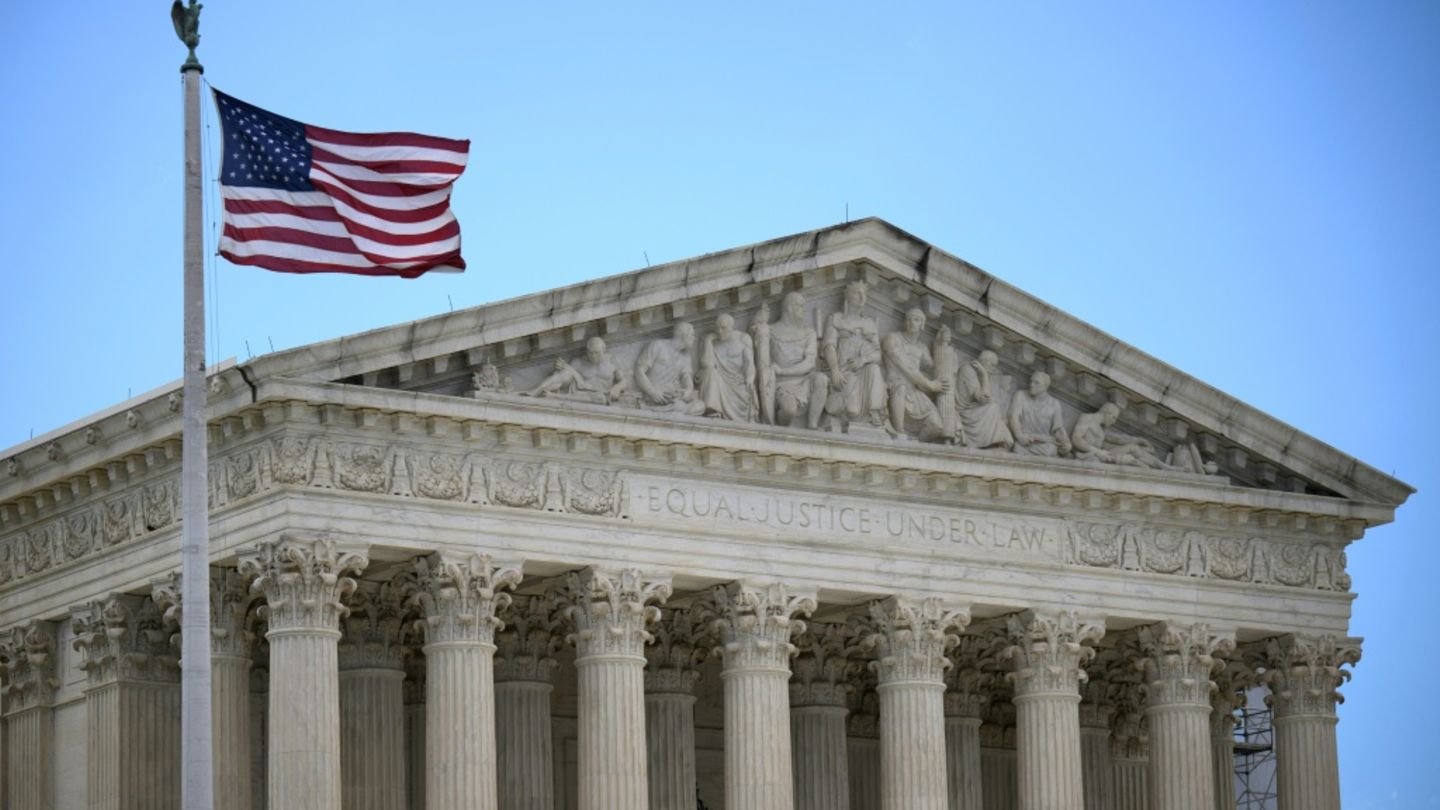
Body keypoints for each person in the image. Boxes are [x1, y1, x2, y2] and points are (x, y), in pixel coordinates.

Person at [823, 281, 887, 427]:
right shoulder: (836, 319)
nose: (861, 297)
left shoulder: (870, 324)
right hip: (844, 372)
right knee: (852, 411)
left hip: (863, 370)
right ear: (847, 296)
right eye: (857, 293)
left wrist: (863, 360)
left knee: (874, 369)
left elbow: (878, 355)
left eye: (864, 294)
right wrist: (834, 371)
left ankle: (874, 411)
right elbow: (829, 346)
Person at [880, 308, 948, 440]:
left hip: (915, 391)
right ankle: (899, 432)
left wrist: (940, 343)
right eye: (909, 319)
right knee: (901, 385)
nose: (912, 322)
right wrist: (929, 385)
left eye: (916, 319)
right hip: (894, 385)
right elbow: (906, 367)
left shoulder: (921, 347)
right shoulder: (893, 338)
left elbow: (934, 369)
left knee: (937, 426)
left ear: (922, 324)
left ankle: (913, 442)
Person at [765, 292, 829, 429]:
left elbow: (810, 363)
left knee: (821, 379)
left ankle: (812, 425)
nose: (803, 310)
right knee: (788, 410)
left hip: (804, 380)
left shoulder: (808, 333)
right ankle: (781, 430)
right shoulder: (770, 330)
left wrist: (783, 370)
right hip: (782, 384)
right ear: (789, 308)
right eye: (800, 306)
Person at [520, 337, 627, 404]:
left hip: (598, 395)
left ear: (603, 350)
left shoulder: (612, 361)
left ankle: (556, 397)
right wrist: (561, 367)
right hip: (580, 390)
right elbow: (563, 374)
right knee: (566, 373)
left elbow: (624, 381)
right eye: (590, 353)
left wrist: (617, 387)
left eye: (597, 353)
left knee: (601, 398)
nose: (593, 356)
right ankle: (536, 390)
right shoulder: (579, 362)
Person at [634, 323, 706, 415]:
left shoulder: (686, 357)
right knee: (681, 407)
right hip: (654, 396)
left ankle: (670, 411)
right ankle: (655, 409)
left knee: (701, 405)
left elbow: (686, 377)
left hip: (672, 397)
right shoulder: (657, 346)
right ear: (683, 335)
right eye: (692, 335)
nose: (694, 338)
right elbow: (639, 371)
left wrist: (688, 390)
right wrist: (653, 393)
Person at [1071, 402, 1168, 469]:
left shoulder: (1102, 430)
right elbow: (1076, 439)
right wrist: (1098, 452)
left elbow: (1119, 439)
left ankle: (1163, 466)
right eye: (1113, 418)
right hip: (1088, 456)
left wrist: (1139, 440)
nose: (1114, 422)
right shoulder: (1087, 418)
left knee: (1132, 448)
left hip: (1103, 456)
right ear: (1107, 412)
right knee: (1134, 462)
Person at [699, 313, 757, 421]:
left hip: (738, 383)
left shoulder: (743, 339)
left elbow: (749, 364)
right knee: (711, 372)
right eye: (717, 328)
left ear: (732, 327)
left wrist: (750, 379)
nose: (719, 331)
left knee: (747, 390)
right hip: (720, 382)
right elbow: (708, 364)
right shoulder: (711, 341)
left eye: (723, 328)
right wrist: (708, 341)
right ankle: (713, 409)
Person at [955, 350, 1014, 449]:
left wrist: (984, 375)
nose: (993, 369)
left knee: (994, 408)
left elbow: (987, 397)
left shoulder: (978, 371)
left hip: (974, 410)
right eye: (993, 365)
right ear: (986, 362)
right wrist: (985, 375)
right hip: (965, 412)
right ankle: (989, 443)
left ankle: (996, 442)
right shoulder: (968, 370)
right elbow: (982, 398)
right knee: (993, 408)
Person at [1008, 370, 1071, 457]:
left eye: (1036, 383)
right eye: (1031, 381)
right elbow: (1013, 417)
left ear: (1045, 386)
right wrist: (1019, 436)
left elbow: (1058, 429)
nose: (1031, 385)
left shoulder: (1054, 403)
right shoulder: (1020, 395)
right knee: (1018, 448)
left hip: (1044, 443)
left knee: (1050, 450)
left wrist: (1067, 443)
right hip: (1025, 441)